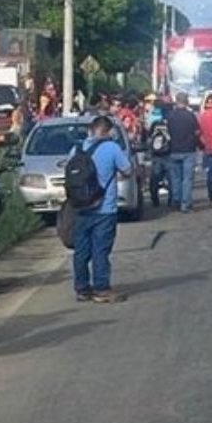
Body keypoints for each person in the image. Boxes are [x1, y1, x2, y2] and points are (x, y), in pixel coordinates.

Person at [71, 115, 133, 304]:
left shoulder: (76, 149)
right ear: (108, 131)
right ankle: (101, 289)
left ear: (90, 130)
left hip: (80, 207)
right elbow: (128, 170)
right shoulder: (112, 148)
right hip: (104, 208)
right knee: (100, 250)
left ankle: (82, 289)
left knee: (81, 250)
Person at [166, 92, 201, 213]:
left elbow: (167, 131)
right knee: (187, 179)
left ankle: (176, 199)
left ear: (176, 101)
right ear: (186, 101)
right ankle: (185, 204)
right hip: (188, 149)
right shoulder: (190, 116)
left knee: (175, 178)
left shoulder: (170, 116)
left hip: (173, 149)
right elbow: (197, 132)